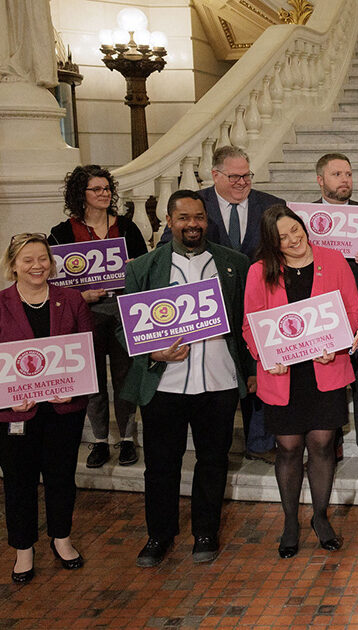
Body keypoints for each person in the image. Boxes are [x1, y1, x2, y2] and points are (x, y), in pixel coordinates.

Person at [121, 190, 252, 568]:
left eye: (198, 217)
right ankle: (158, 535)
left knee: (213, 460)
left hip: (219, 380)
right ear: (169, 220)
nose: (192, 224)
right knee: (161, 463)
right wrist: (152, 352)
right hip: (165, 382)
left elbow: (246, 321)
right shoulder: (143, 267)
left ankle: (206, 532)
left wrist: (252, 371)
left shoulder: (234, 263)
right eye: (183, 218)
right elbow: (126, 327)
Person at [241, 206, 358, 557]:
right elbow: (251, 324)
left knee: (323, 444)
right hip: (283, 375)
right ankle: (291, 521)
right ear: (272, 242)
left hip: (325, 368)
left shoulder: (333, 259)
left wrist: (337, 344)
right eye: (283, 237)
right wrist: (267, 357)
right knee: (289, 448)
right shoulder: (259, 272)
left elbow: (352, 310)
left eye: (296, 230)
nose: (294, 240)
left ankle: (320, 517)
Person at [159, 145, 283, 463]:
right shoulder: (195, 206)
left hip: (260, 306)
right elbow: (166, 248)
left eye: (247, 175)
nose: (243, 182)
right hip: (208, 312)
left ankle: (259, 440)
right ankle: (218, 445)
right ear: (215, 175)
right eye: (235, 176)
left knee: (258, 370)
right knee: (222, 380)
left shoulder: (272, 205)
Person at [0, 234, 93, 583]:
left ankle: (61, 539)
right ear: (13, 266)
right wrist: (7, 397)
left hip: (62, 411)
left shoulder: (70, 300)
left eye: (43, 259)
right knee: (19, 482)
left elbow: (87, 352)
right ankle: (24, 549)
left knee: (61, 477)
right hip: (15, 414)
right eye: (28, 260)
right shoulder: (0, 303)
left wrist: (74, 389)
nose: (37, 265)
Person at [49, 164, 147, 469]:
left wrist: (133, 267)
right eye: (97, 189)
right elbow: (51, 283)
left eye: (107, 188)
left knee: (124, 377)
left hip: (122, 312)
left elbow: (146, 269)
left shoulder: (128, 227)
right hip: (84, 314)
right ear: (82, 193)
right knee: (92, 381)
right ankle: (101, 441)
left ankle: (128, 439)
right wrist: (80, 296)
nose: (104, 194)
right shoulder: (61, 233)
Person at [312, 152, 358, 473]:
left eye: (349, 174)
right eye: (337, 174)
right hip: (322, 310)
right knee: (328, 380)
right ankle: (333, 441)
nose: (345, 180)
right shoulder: (304, 216)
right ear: (320, 180)